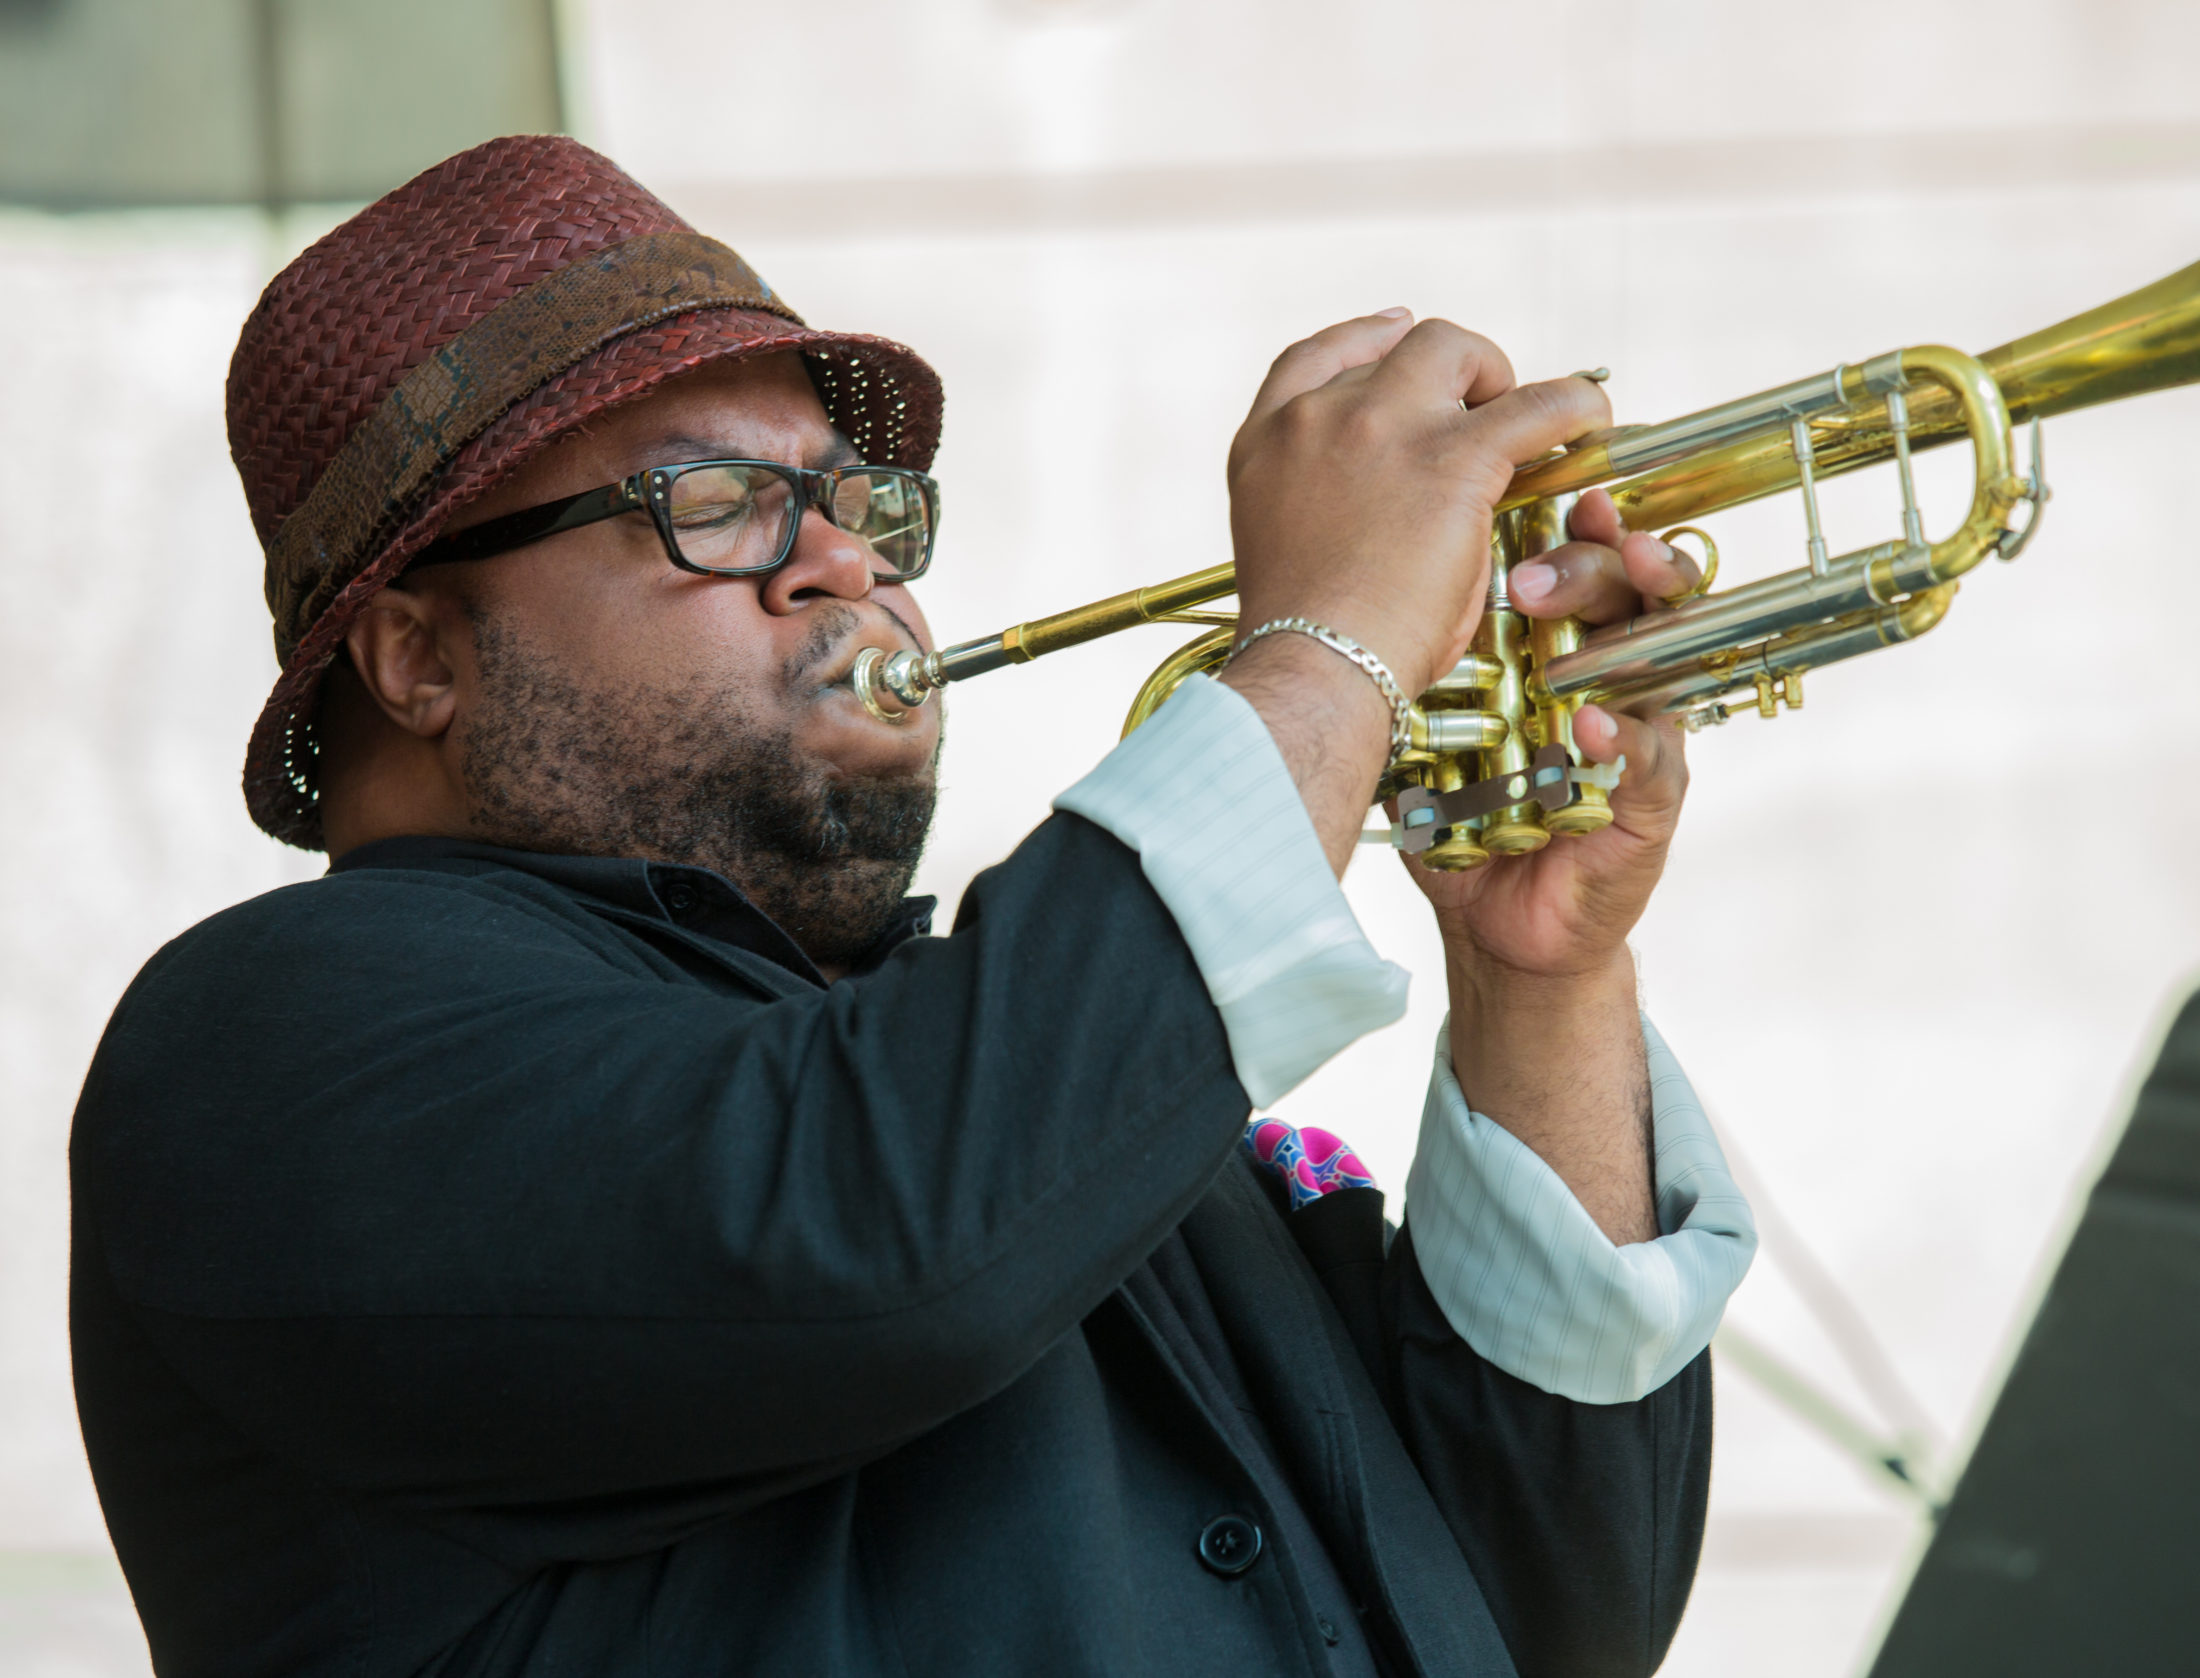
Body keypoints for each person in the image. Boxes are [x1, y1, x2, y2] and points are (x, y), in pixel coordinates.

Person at [68, 137, 1755, 1678]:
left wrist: (1540, 980)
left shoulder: (1025, 1079)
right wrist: (1329, 653)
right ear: (416, 656)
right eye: (714, 502)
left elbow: (1556, 1608)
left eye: (854, 502)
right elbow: (872, 1235)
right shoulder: (260, 1047)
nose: (845, 562)